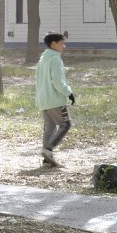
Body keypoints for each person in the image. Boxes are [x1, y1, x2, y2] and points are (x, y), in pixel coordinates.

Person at [36, 33, 74, 168]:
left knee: (50, 128)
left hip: (43, 100)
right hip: (55, 100)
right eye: (62, 43)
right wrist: (69, 92)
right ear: (53, 44)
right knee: (65, 125)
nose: (64, 46)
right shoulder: (55, 59)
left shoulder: (43, 59)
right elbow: (58, 82)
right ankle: (48, 150)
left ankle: (47, 160)